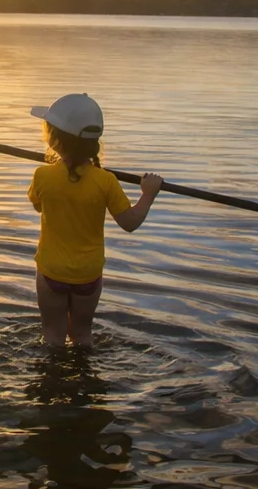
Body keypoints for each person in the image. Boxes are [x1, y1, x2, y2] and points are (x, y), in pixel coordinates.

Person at [26, 93, 163, 350]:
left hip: (51, 270)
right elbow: (130, 222)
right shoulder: (106, 181)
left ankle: (50, 381)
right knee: (83, 336)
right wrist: (148, 194)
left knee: (52, 337)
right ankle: (85, 383)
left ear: (54, 141)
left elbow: (37, 205)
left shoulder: (43, 175)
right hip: (88, 275)